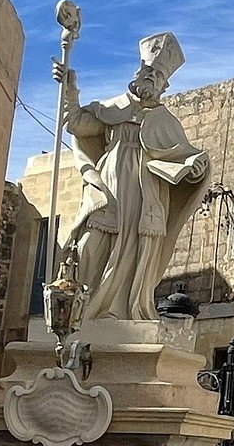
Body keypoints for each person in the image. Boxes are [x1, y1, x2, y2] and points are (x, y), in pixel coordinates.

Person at [52, 32, 211, 321]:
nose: (150, 77)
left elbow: (185, 158)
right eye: (147, 71)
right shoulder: (113, 107)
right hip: (108, 190)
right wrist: (70, 88)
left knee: (135, 253)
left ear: (165, 85)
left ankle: (121, 311)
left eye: (157, 75)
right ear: (138, 72)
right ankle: (81, 311)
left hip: (145, 195)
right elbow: (76, 124)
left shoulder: (167, 122)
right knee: (90, 246)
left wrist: (195, 167)